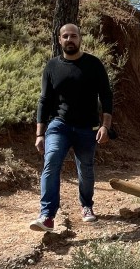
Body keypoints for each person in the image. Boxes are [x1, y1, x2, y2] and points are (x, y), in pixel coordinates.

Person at [30, 23, 113, 231]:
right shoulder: (52, 67)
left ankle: (86, 206)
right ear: (59, 40)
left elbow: (106, 96)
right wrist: (40, 134)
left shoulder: (94, 64)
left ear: (80, 38)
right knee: (51, 162)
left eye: (73, 36)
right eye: (65, 36)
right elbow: (44, 100)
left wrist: (105, 126)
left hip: (88, 127)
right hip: (59, 125)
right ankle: (47, 215)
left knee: (85, 169)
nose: (69, 39)